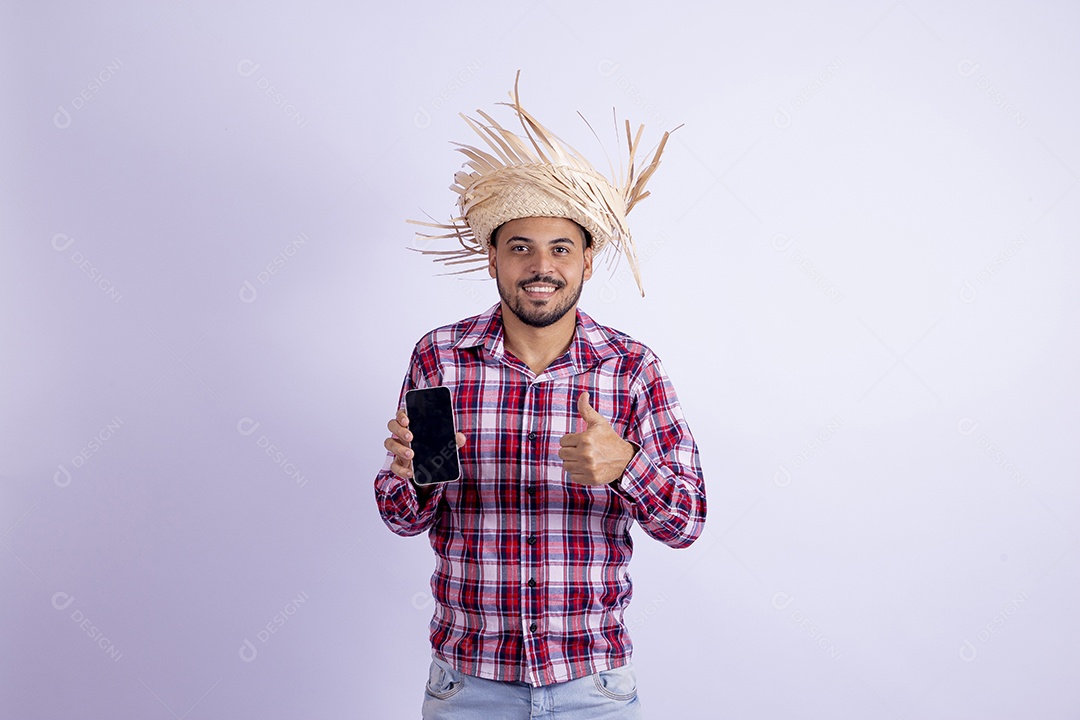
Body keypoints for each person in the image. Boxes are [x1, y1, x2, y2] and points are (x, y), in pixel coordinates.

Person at [374, 75, 706, 719]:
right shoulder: (441, 357)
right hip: (469, 686)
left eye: (560, 248)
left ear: (586, 260)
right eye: (520, 247)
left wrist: (626, 466)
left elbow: (687, 521)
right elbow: (403, 518)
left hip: (594, 688)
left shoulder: (631, 369)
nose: (540, 266)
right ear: (492, 258)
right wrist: (414, 479)